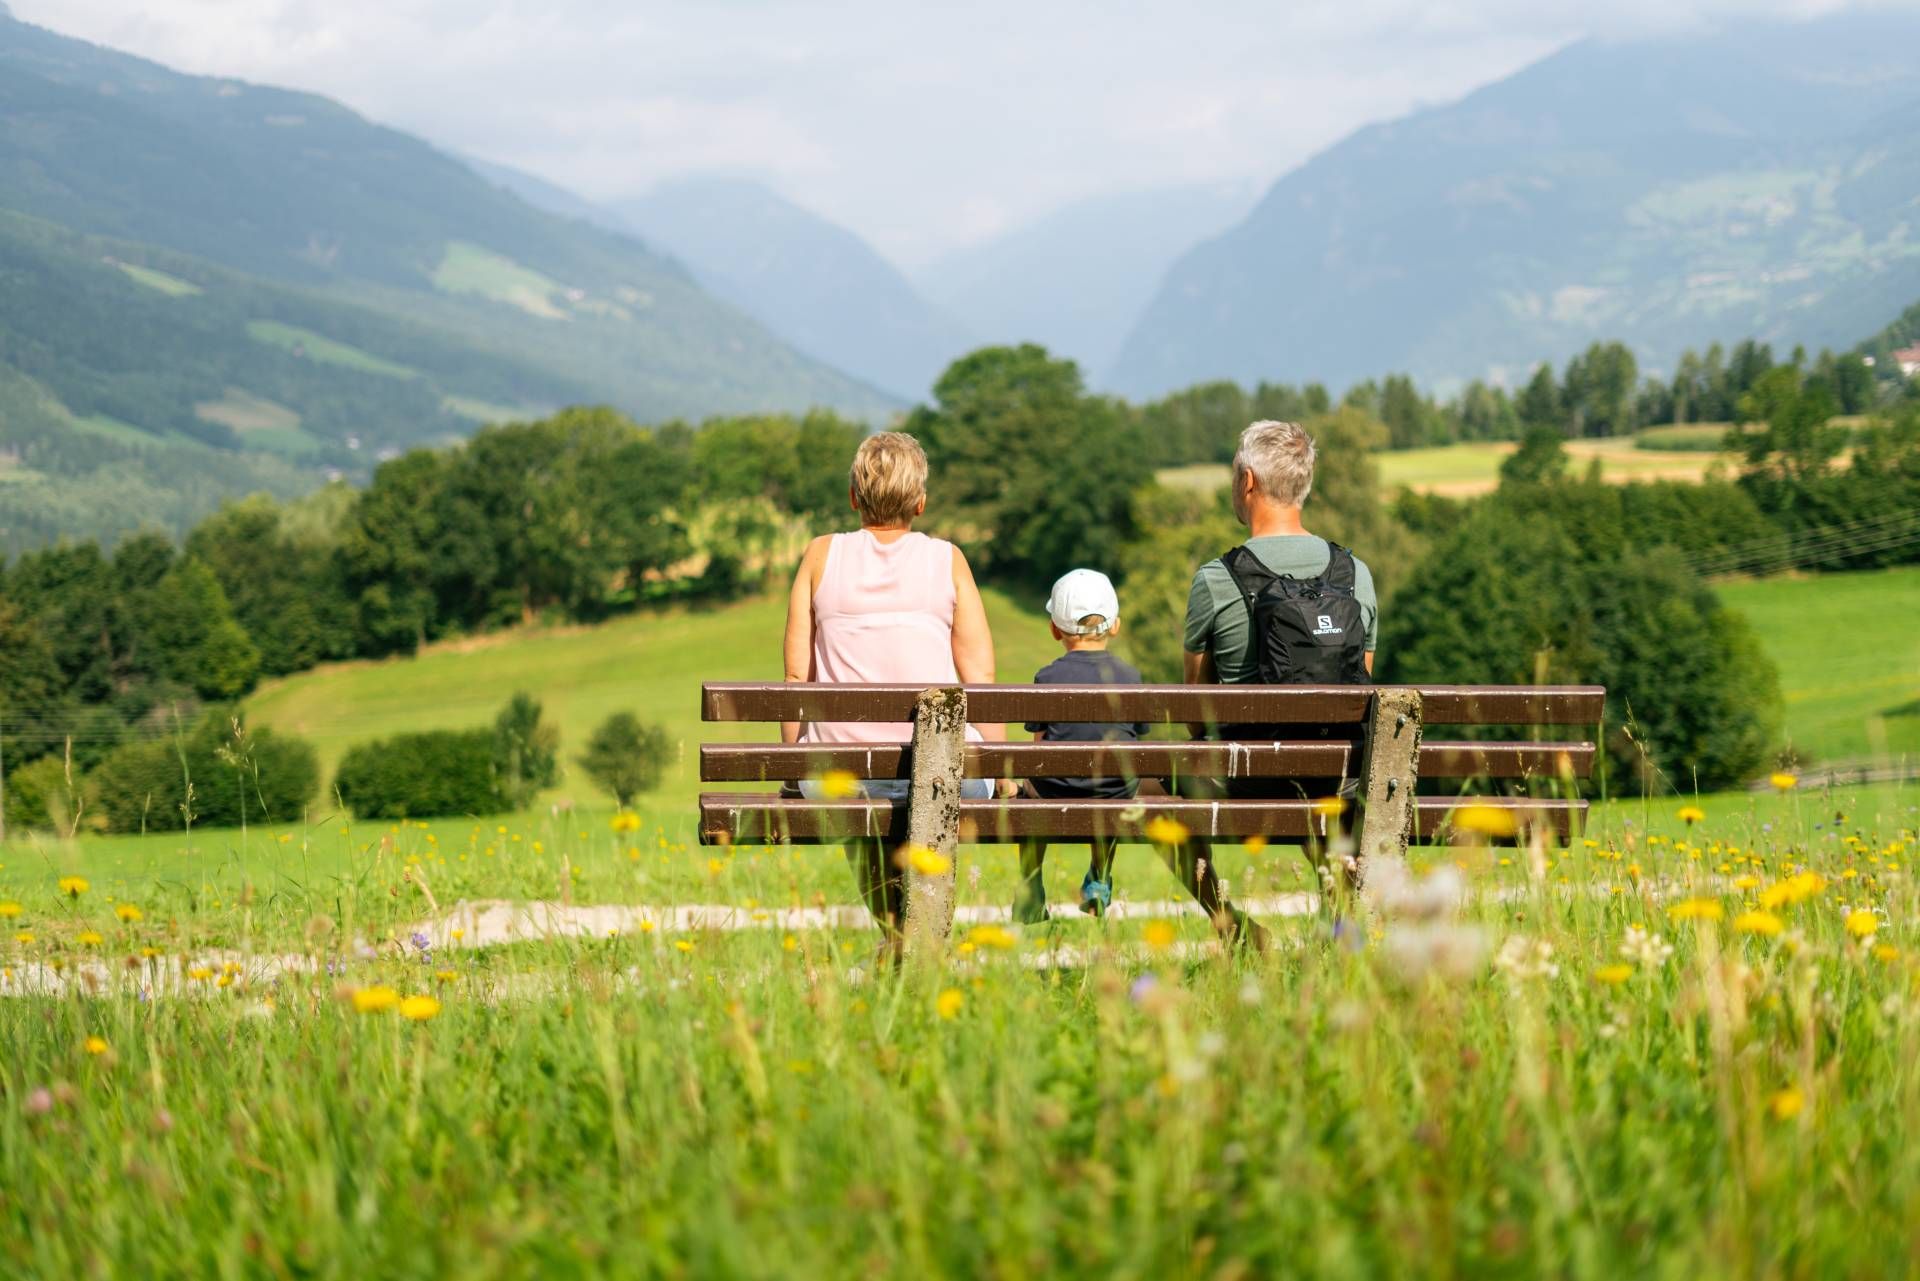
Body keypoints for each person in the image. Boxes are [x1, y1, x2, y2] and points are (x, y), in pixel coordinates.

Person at [781, 431, 1010, 940]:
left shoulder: (820, 556)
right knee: (936, 784)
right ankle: (916, 940)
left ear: (853, 498)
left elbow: (796, 678)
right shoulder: (948, 559)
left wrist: (791, 766)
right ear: (921, 503)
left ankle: (897, 938)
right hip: (941, 771)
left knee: (849, 784)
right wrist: (1000, 766)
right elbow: (981, 678)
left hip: (841, 776)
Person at [1178, 420, 1379, 947]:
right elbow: (1362, 687)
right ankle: (1340, 928)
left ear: (1247, 482)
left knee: (1163, 788)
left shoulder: (1216, 578)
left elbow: (1195, 713)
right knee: (1334, 785)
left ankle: (1234, 927)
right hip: (1340, 779)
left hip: (1249, 779)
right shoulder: (1355, 573)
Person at [1012, 568, 1146, 925]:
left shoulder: (1048, 677)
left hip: (1055, 790)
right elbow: (1136, 740)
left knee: (1029, 792)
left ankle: (1030, 886)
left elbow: (1037, 750)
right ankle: (1099, 881)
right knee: (1115, 790)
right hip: (1114, 792)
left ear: (1055, 629)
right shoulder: (1131, 677)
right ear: (1114, 626)